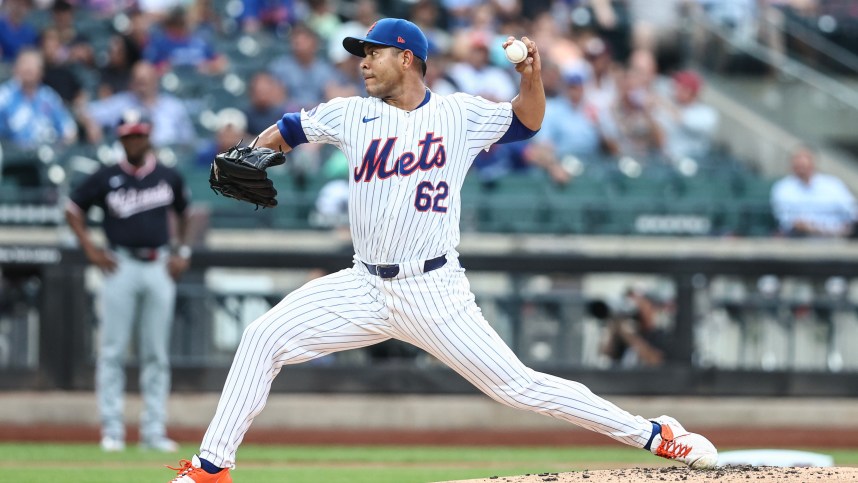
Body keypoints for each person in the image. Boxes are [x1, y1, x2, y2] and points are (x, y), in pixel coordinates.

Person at [165, 18, 718, 482]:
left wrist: (533, 74)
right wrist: (253, 152)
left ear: (407, 58)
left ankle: (655, 433)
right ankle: (212, 467)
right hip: (363, 284)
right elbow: (289, 128)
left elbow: (528, 120)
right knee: (263, 337)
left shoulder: (459, 114)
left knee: (519, 387)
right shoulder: (350, 112)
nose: (362, 62)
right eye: (361, 54)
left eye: (372, 53)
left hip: (434, 290)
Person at [65, 110, 193, 453]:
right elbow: (72, 208)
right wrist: (91, 249)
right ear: (121, 139)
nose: (134, 140)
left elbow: (186, 212)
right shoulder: (106, 176)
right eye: (128, 135)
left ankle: (153, 431)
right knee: (112, 351)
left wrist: (182, 250)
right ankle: (112, 430)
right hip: (119, 264)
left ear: (148, 136)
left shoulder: (167, 175)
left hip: (158, 263)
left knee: (156, 353)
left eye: (139, 134)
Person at [770, 146, 857, 238]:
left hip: (837, 235)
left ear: (813, 163)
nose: (802, 167)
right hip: (800, 237)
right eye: (798, 164)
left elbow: (852, 210)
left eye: (805, 163)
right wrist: (810, 227)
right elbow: (787, 221)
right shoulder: (783, 187)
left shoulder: (833, 184)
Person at [0, 49, 78, 149]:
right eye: (25, 64)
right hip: (14, 158)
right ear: (15, 68)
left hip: (49, 155)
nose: (29, 69)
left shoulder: (49, 97)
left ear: (41, 72)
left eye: (33, 65)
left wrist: (62, 148)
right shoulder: (4, 96)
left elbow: (69, 129)